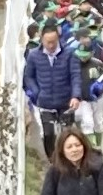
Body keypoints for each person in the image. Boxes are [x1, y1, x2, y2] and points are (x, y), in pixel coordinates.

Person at [23, 24, 83, 158]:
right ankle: (52, 160)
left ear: (58, 39)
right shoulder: (33, 55)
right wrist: (37, 92)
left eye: (54, 42)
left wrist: (76, 96)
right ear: (42, 40)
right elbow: (28, 76)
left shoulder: (69, 54)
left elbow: (75, 75)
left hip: (66, 101)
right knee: (48, 134)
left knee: (67, 134)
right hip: (45, 102)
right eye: (48, 42)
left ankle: (69, 159)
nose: (51, 45)